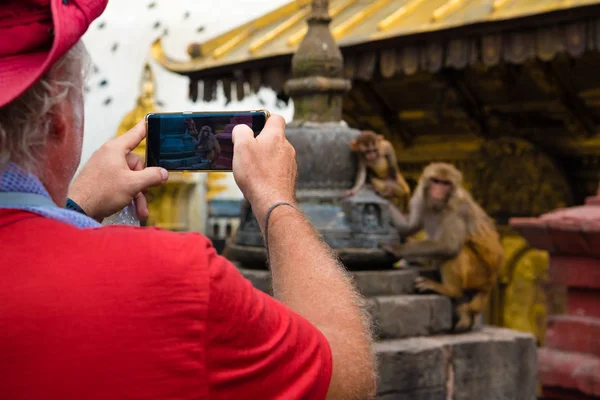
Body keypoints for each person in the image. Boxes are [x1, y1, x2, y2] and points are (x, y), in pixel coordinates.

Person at [0, 1, 376, 399]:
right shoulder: (176, 278)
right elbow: (347, 378)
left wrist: (71, 210)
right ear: (57, 120)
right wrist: (274, 199)